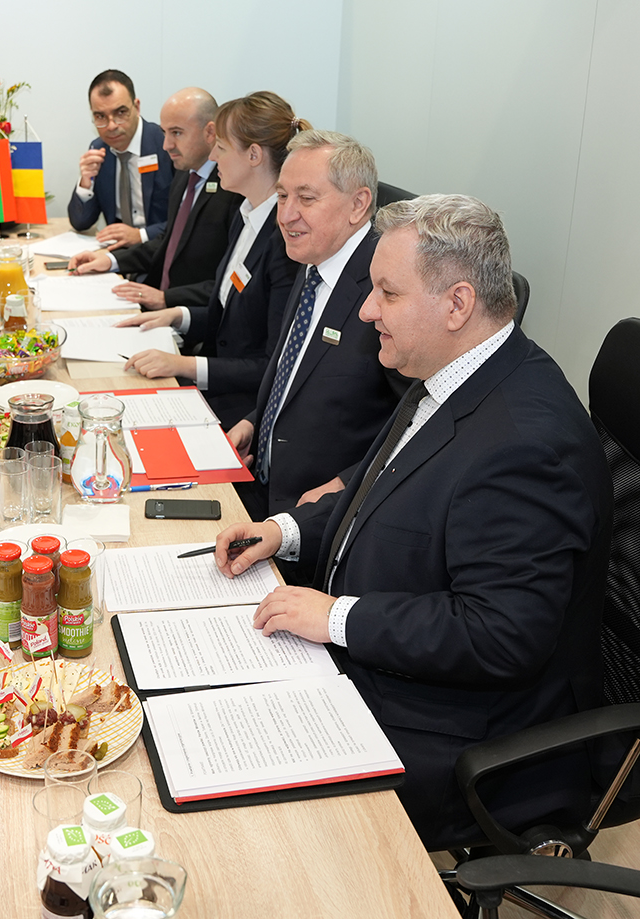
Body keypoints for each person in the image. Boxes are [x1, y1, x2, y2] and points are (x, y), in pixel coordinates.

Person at [215, 195, 611, 848]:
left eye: (387, 293)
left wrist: (336, 617)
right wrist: (286, 530)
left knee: (239, 789)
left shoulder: (526, 443)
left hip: (461, 734)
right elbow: (381, 493)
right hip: (386, 657)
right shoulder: (450, 371)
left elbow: (499, 634)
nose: (366, 310)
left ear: (456, 305)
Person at [226, 130, 407, 521]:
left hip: (323, 515)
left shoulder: (388, 289)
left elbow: (419, 418)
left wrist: (347, 482)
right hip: (261, 488)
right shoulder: (315, 258)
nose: (286, 215)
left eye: (306, 199)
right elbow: (297, 372)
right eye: (282, 196)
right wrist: (255, 422)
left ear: (358, 204)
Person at [117, 92, 305, 427]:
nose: (213, 156)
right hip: (216, 382)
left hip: (244, 408)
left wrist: (183, 365)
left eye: (220, 146)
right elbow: (229, 319)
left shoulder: (284, 241)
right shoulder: (245, 217)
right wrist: (177, 315)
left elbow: (272, 365)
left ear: (253, 155)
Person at [69, 87, 242, 312]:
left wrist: (165, 299)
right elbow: (169, 241)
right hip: (157, 298)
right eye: (165, 132)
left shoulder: (232, 188)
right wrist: (110, 260)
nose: (166, 145)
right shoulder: (186, 174)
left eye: (176, 133)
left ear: (210, 132)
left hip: (191, 313)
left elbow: (230, 284)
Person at [66, 70, 176, 247]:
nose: (111, 126)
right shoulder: (99, 149)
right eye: (100, 116)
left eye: (120, 113)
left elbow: (186, 218)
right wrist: (86, 182)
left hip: (160, 250)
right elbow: (81, 222)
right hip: (117, 253)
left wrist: (141, 235)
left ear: (136, 107)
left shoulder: (165, 145)